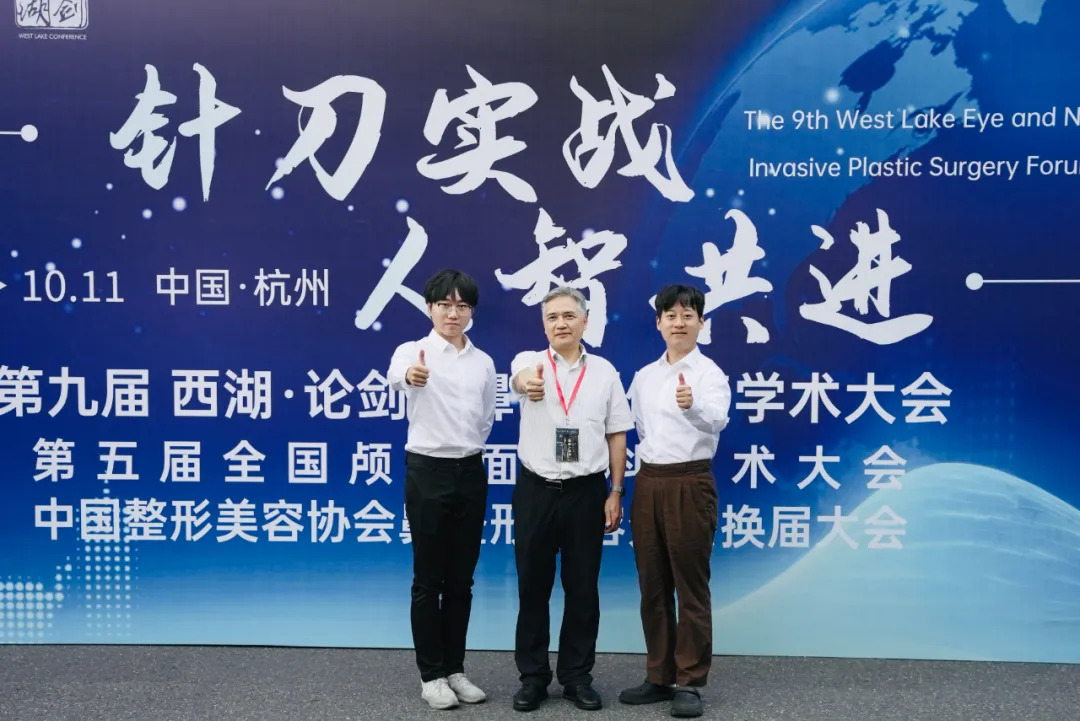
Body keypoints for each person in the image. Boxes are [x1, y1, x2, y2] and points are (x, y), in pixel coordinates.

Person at [507, 286, 634, 713]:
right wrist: (528, 384)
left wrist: (615, 490)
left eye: (568, 316)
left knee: (582, 589)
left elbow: (617, 434)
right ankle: (533, 678)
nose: (560, 323)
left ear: (584, 321)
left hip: (586, 493)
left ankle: (577, 678)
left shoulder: (605, 372)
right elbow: (519, 379)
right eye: (552, 317)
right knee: (533, 588)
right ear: (543, 324)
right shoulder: (530, 362)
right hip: (536, 491)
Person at [618, 284, 731, 719]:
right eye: (671, 316)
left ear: (701, 322)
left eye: (687, 316)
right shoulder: (645, 376)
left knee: (691, 586)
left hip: (690, 481)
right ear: (659, 322)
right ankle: (659, 675)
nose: (678, 323)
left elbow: (717, 420)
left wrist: (693, 405)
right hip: (649, 481)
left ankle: (690, 681)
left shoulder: (710, 374)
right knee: (652, 585)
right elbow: (641, 429)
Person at [387, 269, 497, 710]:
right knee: (428, 579)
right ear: (429, 308)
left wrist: (466, 450)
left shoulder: (483, 361)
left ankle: (455, 669)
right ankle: (431, 675)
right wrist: (412, 375)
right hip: (427, 470)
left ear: (471, 311)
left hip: (469, 470)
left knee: (462, 580)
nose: (453, 313)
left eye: (462, 306)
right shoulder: (412, 351)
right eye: (445, 305)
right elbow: (400, 376)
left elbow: (486, 419)